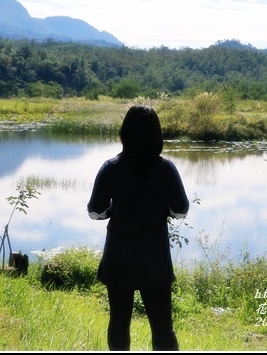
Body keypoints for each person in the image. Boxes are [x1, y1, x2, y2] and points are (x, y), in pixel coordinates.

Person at [87, 105, 189, 351]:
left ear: (125, 133)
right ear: (157, 135)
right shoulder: (166, 169)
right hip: (155, 261)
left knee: (119, 323)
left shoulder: (110, 168)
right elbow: (181, 210)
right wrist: (161, 209)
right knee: (162, 326)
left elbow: (95, 211)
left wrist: (114, 210)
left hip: (118, 259)